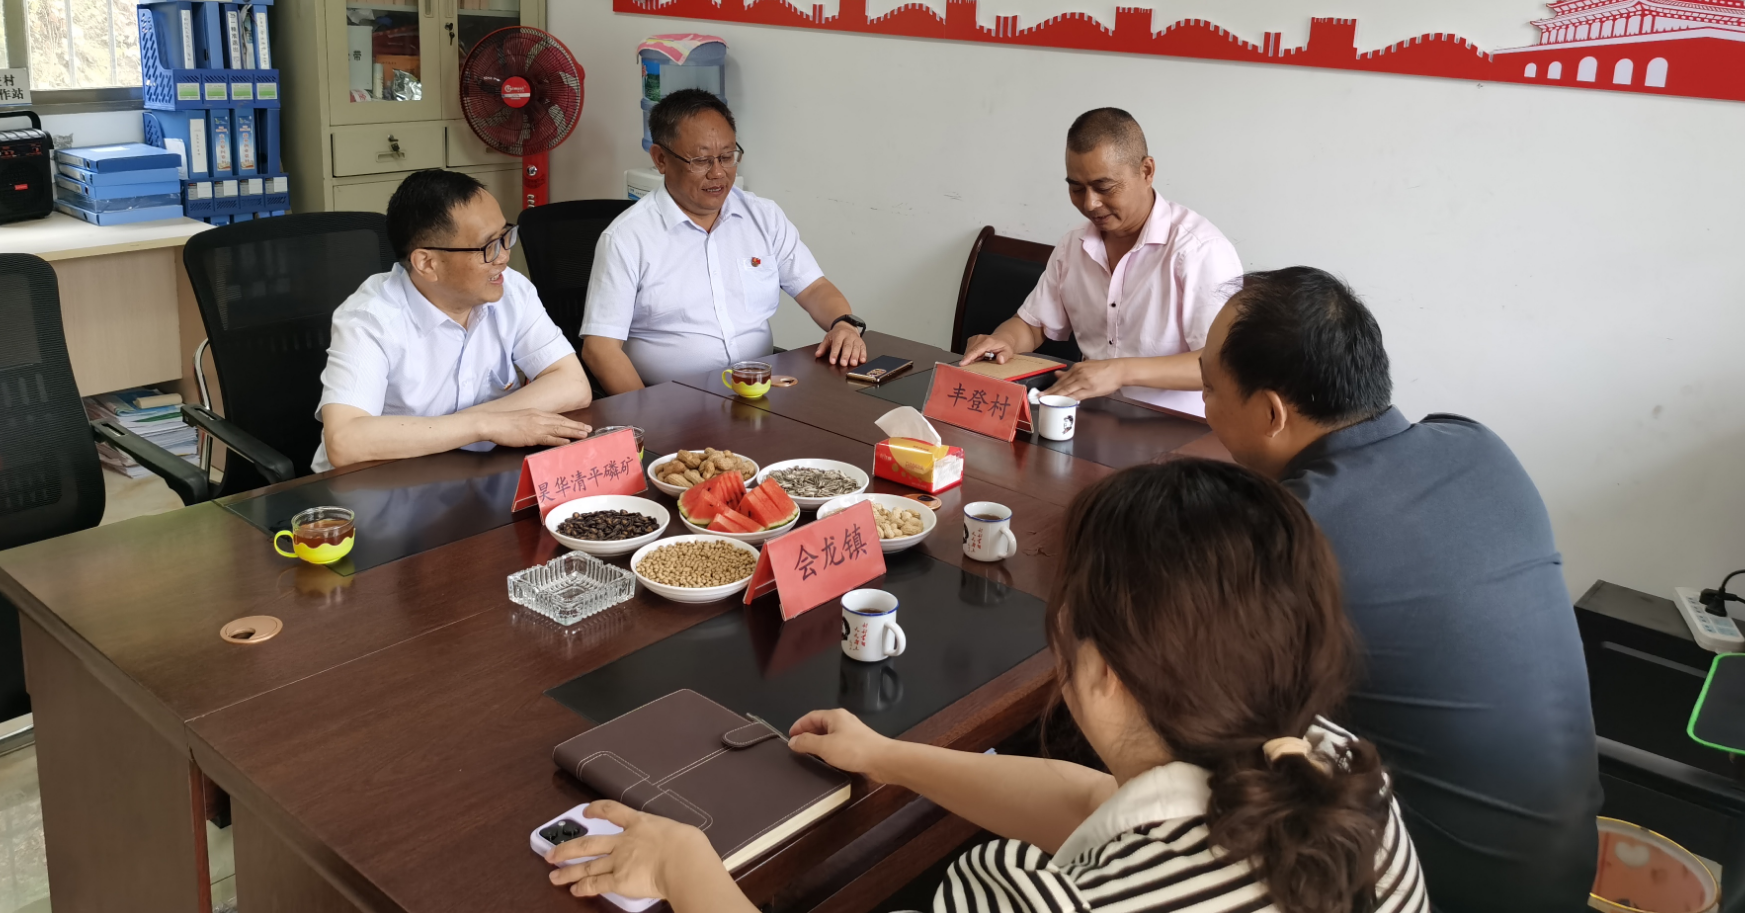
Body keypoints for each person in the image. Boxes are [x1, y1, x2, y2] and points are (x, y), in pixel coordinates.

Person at [544, 459, 1427, 913]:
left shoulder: (1052, 899)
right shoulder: (1337, 776)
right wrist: (891, 757)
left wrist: (684, 863)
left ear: (1103, 672)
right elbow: (1095, 802)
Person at [1198, 266, 1601, 913]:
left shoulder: (1295, 533)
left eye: (1208, 388)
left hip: (1426, 893)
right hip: (1565, 874)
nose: (1204, 407)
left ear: (1271, 412)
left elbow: (1207, 703)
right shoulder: (1476, 444)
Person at [581, 89, 868, 393]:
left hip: (759, 389)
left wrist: (843, 324)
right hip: (671, 400)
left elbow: (814, 287)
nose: (718, 173)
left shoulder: (763, 216)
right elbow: (600, 350)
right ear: (661, 159)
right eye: (701, 160)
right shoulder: (627, 238)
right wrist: (650, 412)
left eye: (728, 157)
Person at [961, 107, 1240, 415]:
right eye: (1076, 188)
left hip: (1177, 427)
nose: (1090, 203)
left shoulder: (1200, 250)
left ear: (1146, 171)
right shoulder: (1073, 246)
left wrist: (1119, 372)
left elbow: (1224, 365)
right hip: (1090, 416)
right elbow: (1032, 324)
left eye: (1104, 187)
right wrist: (1004, 340)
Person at [314, 169, 590, 471]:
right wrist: (484, 425)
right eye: (488, 246)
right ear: (427, 263)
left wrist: (469, 427)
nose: (503, 257)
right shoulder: (370, 319)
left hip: (477, 472)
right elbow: (345, 441)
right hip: (383, 481)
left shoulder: (511, 289)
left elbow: (573, 384)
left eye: (505, 236)